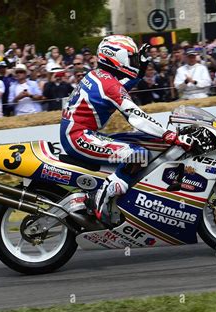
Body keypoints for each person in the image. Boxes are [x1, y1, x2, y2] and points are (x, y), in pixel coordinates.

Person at [60, 35, 194, 225]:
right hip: (79, 137)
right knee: (138, 155)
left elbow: (121, 88)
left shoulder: (99, 76)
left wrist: (140, 70)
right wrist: (168, 135)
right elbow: (136, 116)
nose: (133, 62)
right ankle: (100, 198)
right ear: (117, 57)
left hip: (78, 133)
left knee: (135, 144)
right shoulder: (109, 84)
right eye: (131, 58)